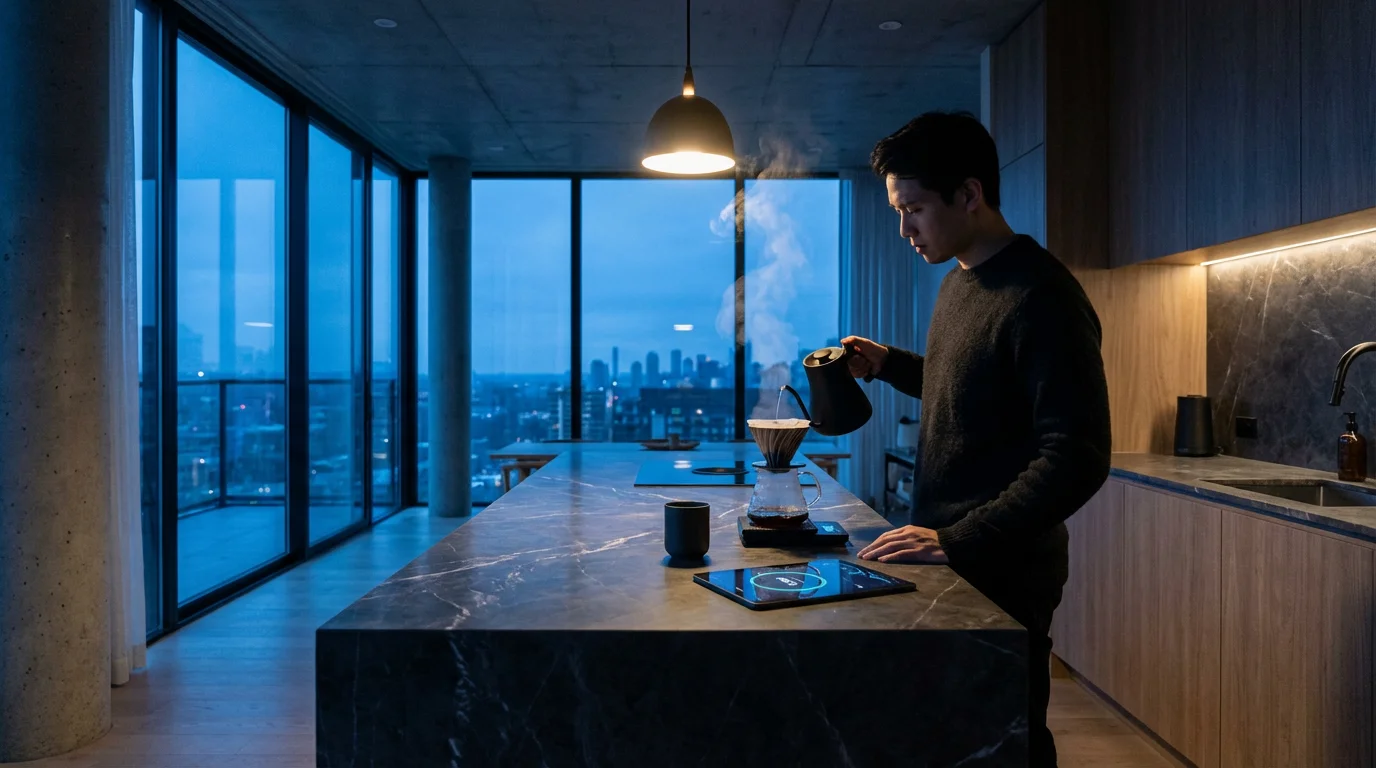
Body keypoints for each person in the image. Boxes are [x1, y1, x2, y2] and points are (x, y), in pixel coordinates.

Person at [846, 111, 1111, 767]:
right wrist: (890, 364)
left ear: (969, 195)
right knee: (955, 737)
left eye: (914, 210)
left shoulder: (1043, 296)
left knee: (1008, 739)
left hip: (1002, 567)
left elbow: (1077, 456)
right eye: (898, 211)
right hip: (949, 556)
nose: (905, 229)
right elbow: (965, 386)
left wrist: (958, 540)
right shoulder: (960, 281)